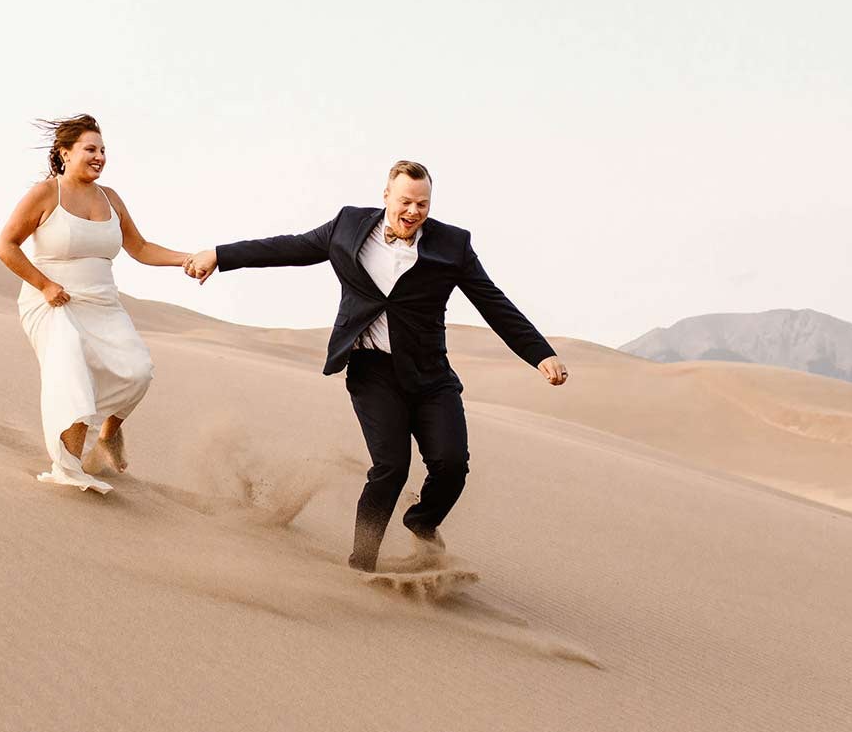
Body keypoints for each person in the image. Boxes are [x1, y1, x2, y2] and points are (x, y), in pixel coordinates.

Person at [184, 160, 567, 570]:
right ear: (386, 196)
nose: (414, 212)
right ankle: (362, 563)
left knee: (452, 465)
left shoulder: (452, 246)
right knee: (391, 467)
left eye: (423, 204)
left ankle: (421, 521)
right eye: (406, 201)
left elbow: (493, 303)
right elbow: (287, 248)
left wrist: (539, 353)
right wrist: (219, 256)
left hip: (430, 375)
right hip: (373, 372)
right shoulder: (348, 227)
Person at [0, 114, 190, 493]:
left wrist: (186, 258)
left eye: (103, 150)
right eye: (90, 149)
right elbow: (5, 245)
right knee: (73, 374)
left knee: (137, 372)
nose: (99, 156)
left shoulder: (111, 199)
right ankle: (68, 469)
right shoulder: (45, 193)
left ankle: (108, 435)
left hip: (103, 303)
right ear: (65, 153)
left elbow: (141, 248)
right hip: (53, 302)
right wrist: (45, 284)